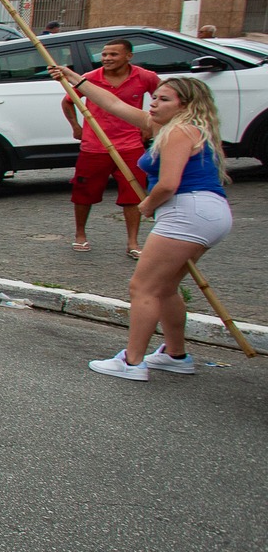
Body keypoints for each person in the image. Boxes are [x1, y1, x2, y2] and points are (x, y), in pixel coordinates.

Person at [49, 68, 233, 381]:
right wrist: (78, 81)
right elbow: (114, 105)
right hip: (207, 213)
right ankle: (176, 355)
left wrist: (147, 205)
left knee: (142, 287)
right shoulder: (176, 128)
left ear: (185, 105)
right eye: (155, 97)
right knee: (165, 287)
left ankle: (132, 362)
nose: (154, 103)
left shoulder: (179, 131)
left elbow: (168, 184)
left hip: (187, 211)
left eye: (164, 99)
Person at [64, 37, 160, 256]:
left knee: (134, 194)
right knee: (83, 192)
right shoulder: (89, 78)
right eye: (104, 55)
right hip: (94, 145)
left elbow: (161, 99)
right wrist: (76, 127)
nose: (107, 59)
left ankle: (133, 243)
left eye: (113, 54)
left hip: (130, 145)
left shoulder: (145, 76)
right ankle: (80, 234)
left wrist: (150, 126)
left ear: (129, 56)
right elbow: (68, 101)